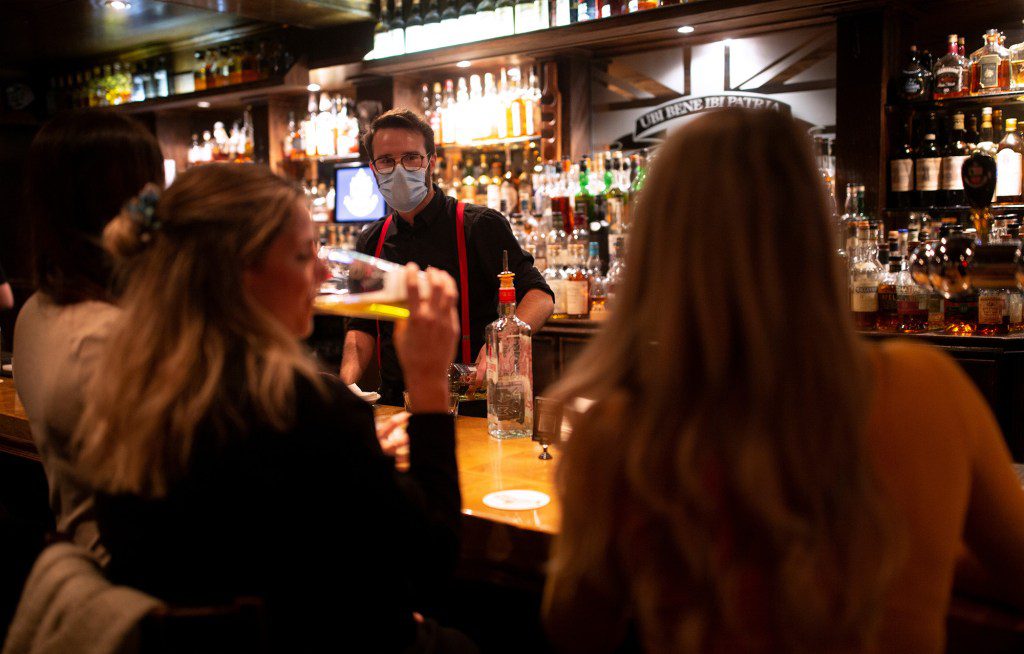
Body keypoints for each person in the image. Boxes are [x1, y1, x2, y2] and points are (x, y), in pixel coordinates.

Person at [541, 108, 1024, 654]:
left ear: (658, 247)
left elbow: (574, 630)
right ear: (817, 232)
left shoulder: (619, 435)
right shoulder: (927, 388)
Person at [73, 164, 475, 653]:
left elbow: (265, 521)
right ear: (241, 272)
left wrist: (359, 456)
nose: (326, 273)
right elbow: (431, 562)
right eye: (305, 254)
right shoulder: (302, 408)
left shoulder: (127, 391)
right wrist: (430, 385)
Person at [13, 110, 165, 560]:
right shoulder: (106, 336)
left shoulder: (36, 311)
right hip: (137, 580)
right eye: (150, 189)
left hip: (83, 555)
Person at [339, 109, 553, 408]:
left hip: (470, 407)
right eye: (387, 160)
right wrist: (345, 384)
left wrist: (499, 345)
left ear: (431, 161)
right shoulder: (371, 240)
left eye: (411, 157)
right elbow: (360, 327)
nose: (399, 169)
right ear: (374, 168)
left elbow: (540, 296)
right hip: (395, 405)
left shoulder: (479, 225)